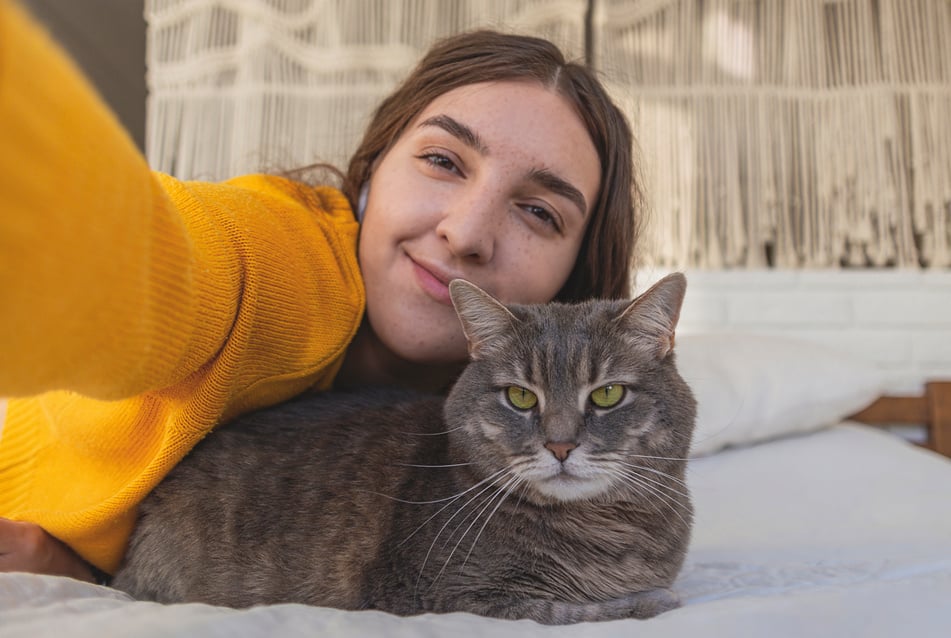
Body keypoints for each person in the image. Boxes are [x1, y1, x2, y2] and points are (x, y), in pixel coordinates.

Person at [0, 0, 643, 584]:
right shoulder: (278, 260)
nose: (467, 232)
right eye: (443, 161)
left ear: (575, 285)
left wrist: (76, 571)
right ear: (370, 171)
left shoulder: (519, 422)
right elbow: (136, 259)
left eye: (539, 213)